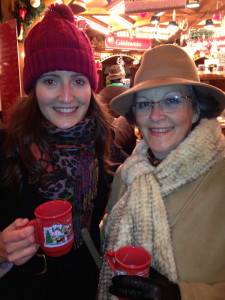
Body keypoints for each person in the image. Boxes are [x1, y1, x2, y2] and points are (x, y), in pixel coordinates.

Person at [0, 4, 126, 299]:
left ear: (91, 89)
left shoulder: (105, 146)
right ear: (34, 88)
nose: (67, 96)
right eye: (51, 80)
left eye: (78, 81)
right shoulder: (7, 147)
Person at [98, 44, 225, 299]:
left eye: (172, 100)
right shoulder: (127, 175)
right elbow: (108, 241)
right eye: (144, 103)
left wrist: (182, 296)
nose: (156, 115)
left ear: (197, 109)